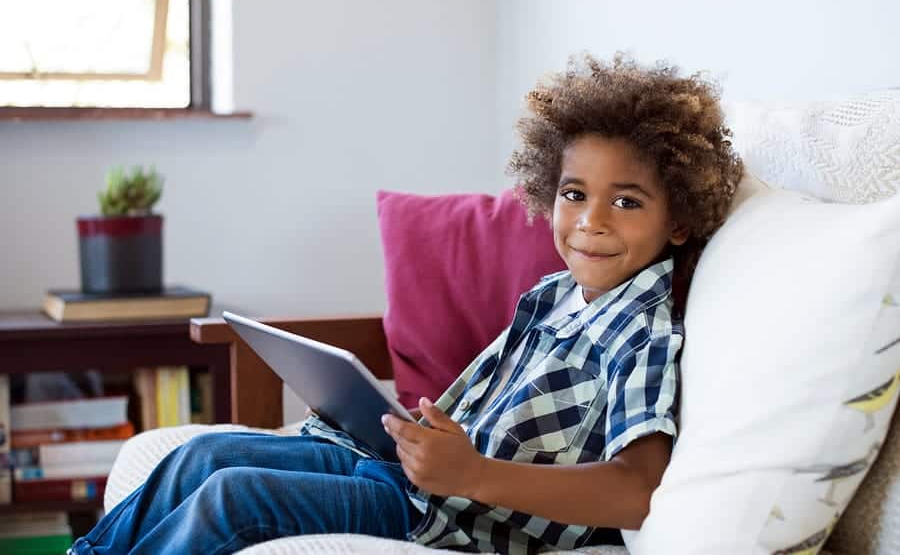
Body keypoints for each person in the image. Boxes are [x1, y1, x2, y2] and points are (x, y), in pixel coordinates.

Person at [69, 54, 743, 555]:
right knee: (201, 456)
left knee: (233, 497)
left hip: (455, 514)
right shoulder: (554, 295)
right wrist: (409, 429)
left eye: (626, 201)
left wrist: (473, 472)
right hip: (409, 473)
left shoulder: (644, 332)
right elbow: (476, 408)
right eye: (574, 194)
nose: (591, 221)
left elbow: (638, 487)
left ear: (678, 219)